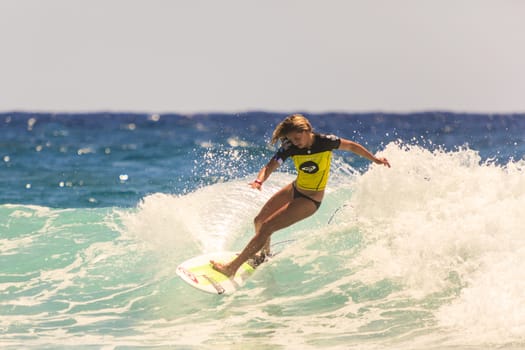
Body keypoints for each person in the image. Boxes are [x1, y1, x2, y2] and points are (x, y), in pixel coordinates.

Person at [211, 114, 390, 277]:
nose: (294, 142)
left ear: (307, 131)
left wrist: (375, 160)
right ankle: (263, 256)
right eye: (290, 139)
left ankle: (231, 268)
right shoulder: (291, 147)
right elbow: (271, 165)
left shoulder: (325, 142)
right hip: (296, 188)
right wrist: (259, 181)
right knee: (259, 221)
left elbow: (351, 146)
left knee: (266, 228)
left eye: (297, 138)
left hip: (310, 199)